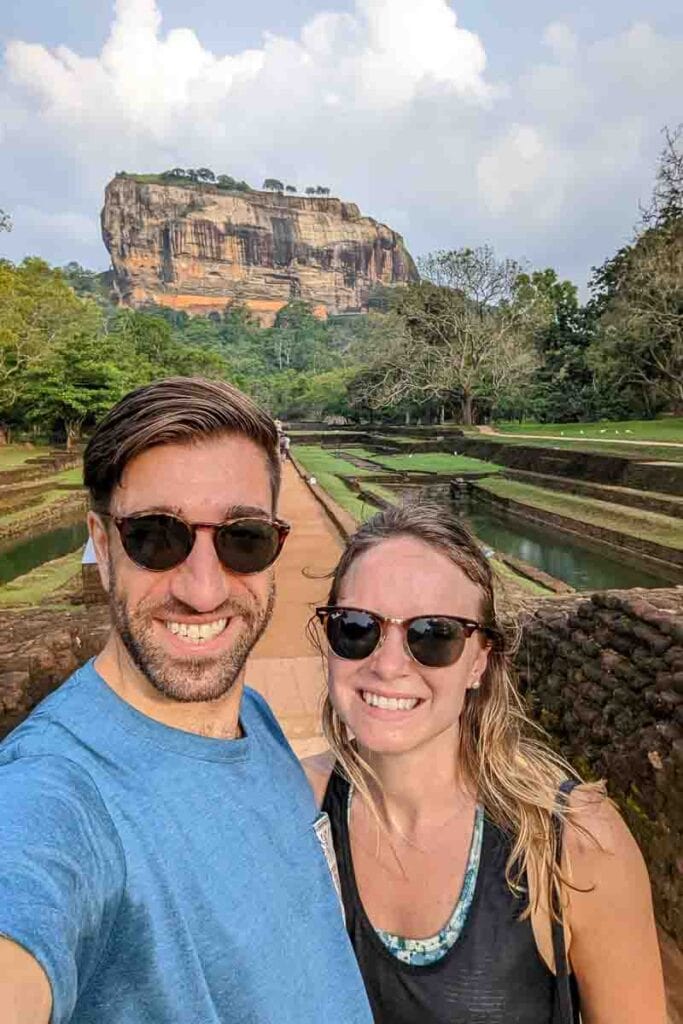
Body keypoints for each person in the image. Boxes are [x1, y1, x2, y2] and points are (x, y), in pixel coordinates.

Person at [0, 377, 372, 1024]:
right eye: (155, 536)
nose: (202, 590)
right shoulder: (58, 795)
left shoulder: (252, 716)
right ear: (104, 545)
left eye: (243, 538)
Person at [304, 502, 666, 1024]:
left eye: (434, 635)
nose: (386, 665)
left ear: (480, 660)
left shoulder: (575, 844)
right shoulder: (294, 806)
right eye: (357, 627)